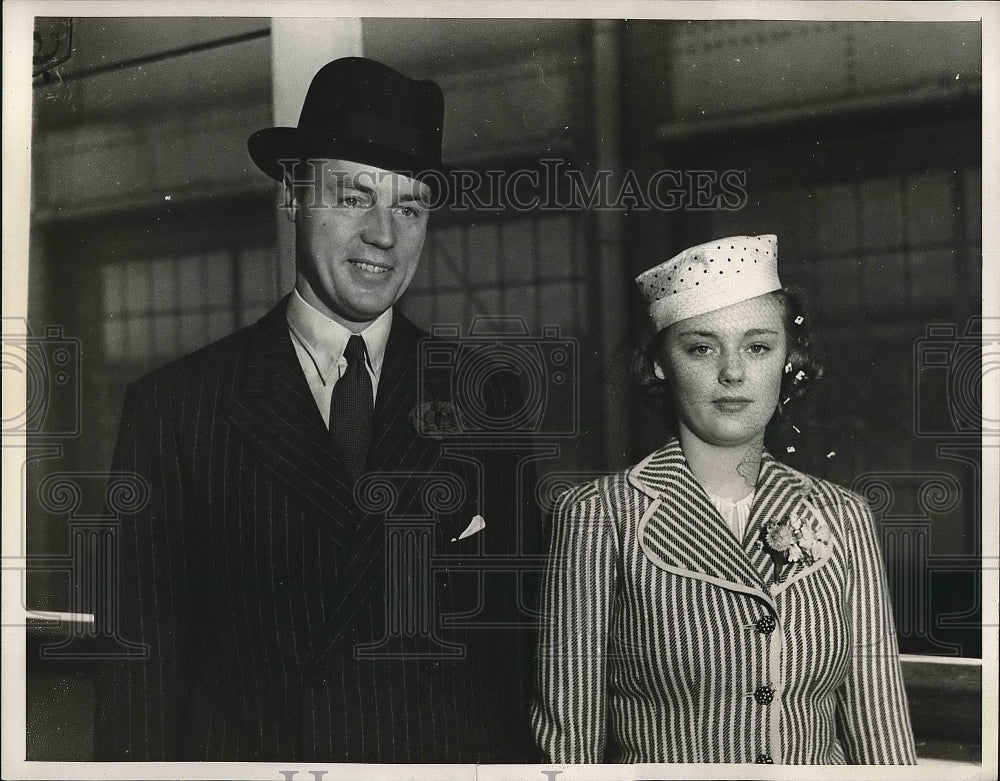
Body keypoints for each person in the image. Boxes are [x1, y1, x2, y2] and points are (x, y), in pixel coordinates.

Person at [95, 57, 538, 762]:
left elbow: (516, 674)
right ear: (294, 196)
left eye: (411, 206)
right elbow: (138, 690)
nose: (385, 236)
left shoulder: (488, 401)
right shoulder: (178, 412)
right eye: (356, 196)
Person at [530, 234, 917, 764]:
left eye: (758, 347)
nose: (733, 372)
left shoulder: (843, 517)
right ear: (661, 362)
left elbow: (883, 737)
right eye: (701, 347)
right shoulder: (599, 516)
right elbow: (568, 748)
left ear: (788, 359)